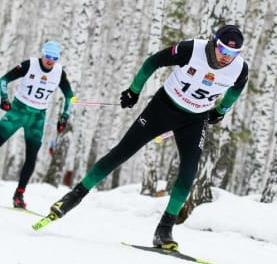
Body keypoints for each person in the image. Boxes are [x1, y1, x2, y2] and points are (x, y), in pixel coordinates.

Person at [47, 25, 248, 249]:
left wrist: (221, 111)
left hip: (195, 119)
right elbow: (153, 62)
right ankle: (72, 198)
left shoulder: (239, 69)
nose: (225, 57)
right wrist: (134, 90)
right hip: (163, 108)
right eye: (222, 50)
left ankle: (164, 230)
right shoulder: (192, 50)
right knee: (121, 152)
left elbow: (236, 90)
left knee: (189, 171)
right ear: (214, 42)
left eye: (233, 54)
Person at [0, 41, 74, 209]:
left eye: (54, 58)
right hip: (17, 112)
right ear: (42, 54)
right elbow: (3, 80)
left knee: (31, 156)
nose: (50, 61)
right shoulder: (30, 65)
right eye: (48, 56)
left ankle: (19, 195)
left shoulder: (59, 72)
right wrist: (4, 98)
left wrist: (64, 116)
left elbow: (70, 96)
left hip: (37, 118)